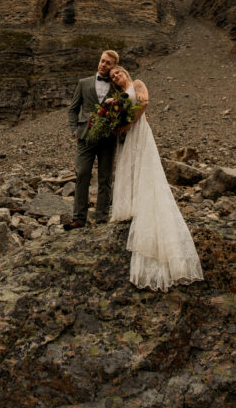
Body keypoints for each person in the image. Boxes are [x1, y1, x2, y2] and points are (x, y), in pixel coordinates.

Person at [109, 65, 204, 291]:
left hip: (139, 129)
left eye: (118, 73)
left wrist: (130, 122)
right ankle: (129, 205)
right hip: (129, 133)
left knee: (143, 165)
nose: (116, 76)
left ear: (125, 72)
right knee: (128, 164)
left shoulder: (137, 84)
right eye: (112, 76)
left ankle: (142, 205)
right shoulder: (118, 96)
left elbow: (143, 102)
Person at [66, 49, 120, 229]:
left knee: (105, 177)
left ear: (114, 67)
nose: (103, 65)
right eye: (102, 61)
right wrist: (74, 130)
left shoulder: (117, 86)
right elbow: (72, 109)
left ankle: (102, 218)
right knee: (82, 174)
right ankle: (78, 219)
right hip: (85, 136)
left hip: (108, 137)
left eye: (108, 63)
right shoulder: (83, 83)